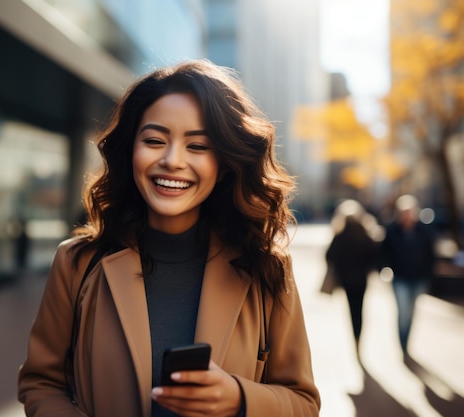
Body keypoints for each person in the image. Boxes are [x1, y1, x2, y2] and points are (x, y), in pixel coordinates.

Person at [17, 59, 320, 417]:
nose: (173, 161)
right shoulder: (76, 263)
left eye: (198, 147)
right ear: (131, 150)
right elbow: (41, 383)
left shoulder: (267, 268)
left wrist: (239, 399)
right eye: (155, 141)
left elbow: (303, 402)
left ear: (224, 164)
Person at [380, 194, 436, 356]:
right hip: (400, 278)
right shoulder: (392, 231)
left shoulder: (424, 231)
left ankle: (407, 340)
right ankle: (402, 343)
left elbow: (430, 254)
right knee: (403, 311)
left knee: (411, 311)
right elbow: (383, 253)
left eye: (410, 212)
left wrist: (428, 274)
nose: (407, 216)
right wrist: (384, 269)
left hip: (419, 279)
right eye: (404, 212)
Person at [325, 199, 378, 358]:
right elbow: (374, 257)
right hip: (361, 280)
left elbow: (329, 256)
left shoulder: (340, 234)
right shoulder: (366, 233)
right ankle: (358, 339)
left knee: (352, 311)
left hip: (347, 281)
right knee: (359, 310)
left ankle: (355, 341)